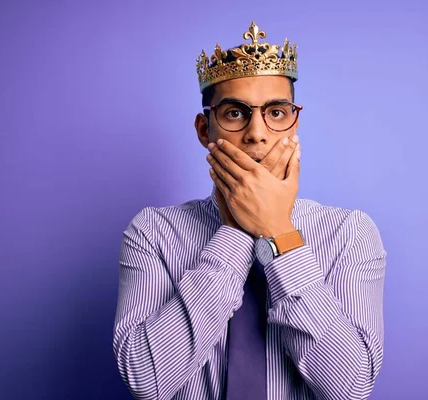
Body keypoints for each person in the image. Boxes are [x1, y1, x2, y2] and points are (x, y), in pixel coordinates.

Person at [113, 21, 387, 400]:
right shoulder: (153, 232)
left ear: (295, 124)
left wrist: (277, 231)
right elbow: (147, 379)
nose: (257, 133)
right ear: (204, 130)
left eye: (276, 112)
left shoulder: (350, 233)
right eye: (235, 113)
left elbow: (350, 386)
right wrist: (236, 234)